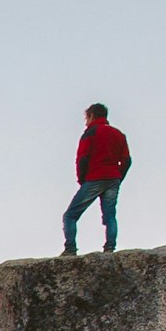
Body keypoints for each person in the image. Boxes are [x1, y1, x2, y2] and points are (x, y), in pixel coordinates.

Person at [65, 104, 130, 254]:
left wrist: (82, 180)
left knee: (70, 215)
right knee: (110, 215)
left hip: (94, 178)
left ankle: (70, 249)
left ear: (92, 116)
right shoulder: (118, 134)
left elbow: (82, 158)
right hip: (113, 178)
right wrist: (119, 176)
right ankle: (110, 247)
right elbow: (127, 160)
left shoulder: (90, 133)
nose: (85, 122)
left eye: (86, 118)